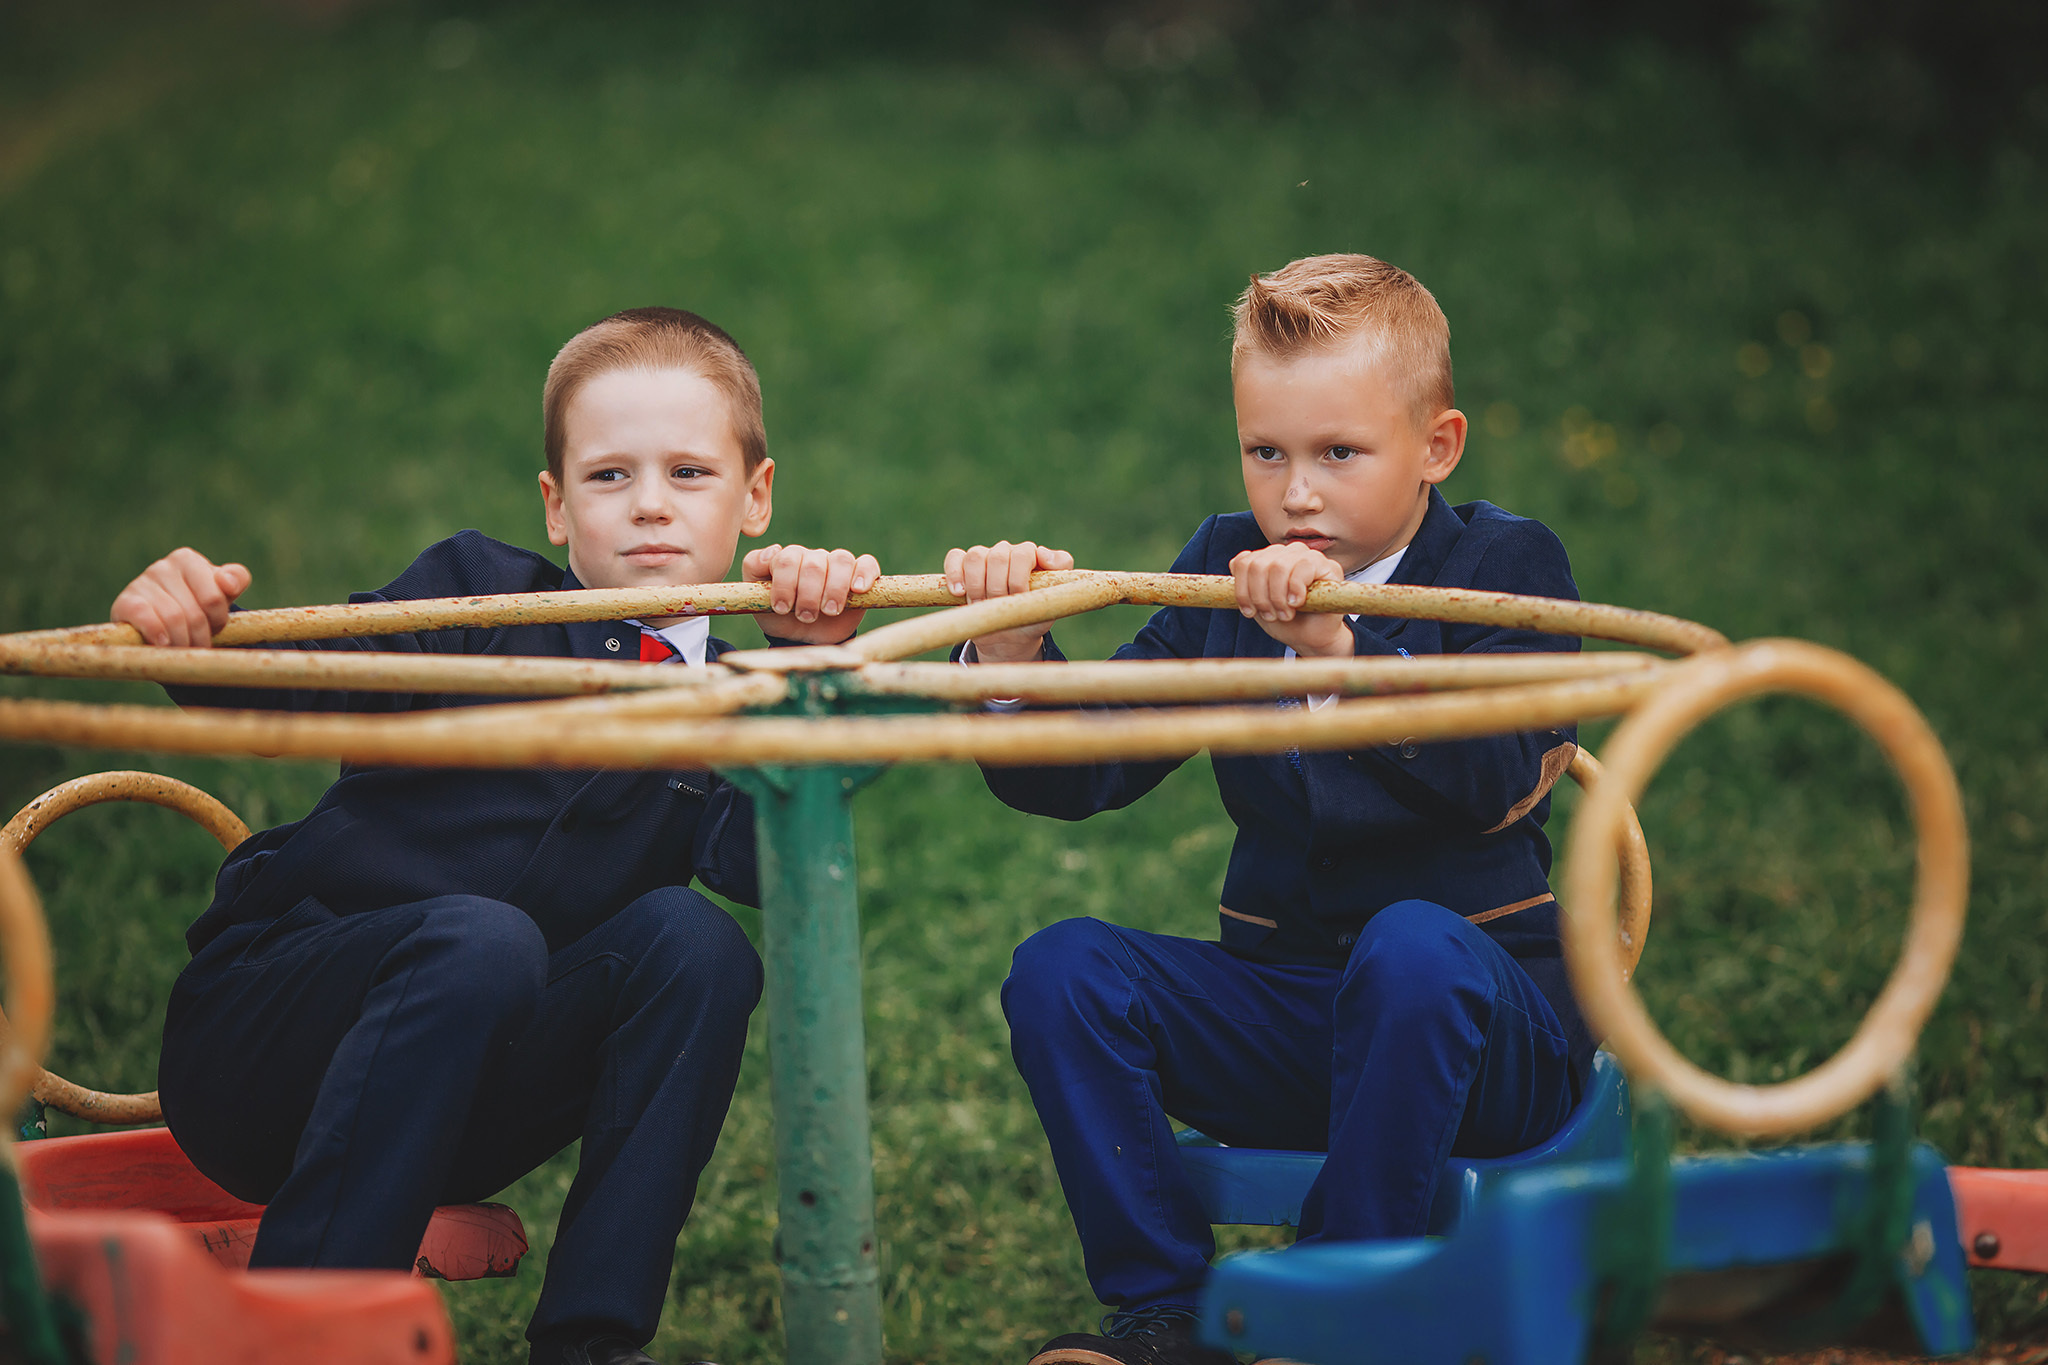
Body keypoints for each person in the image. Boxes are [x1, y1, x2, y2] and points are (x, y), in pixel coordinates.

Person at [112, 307, 877, 1365]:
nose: (650, 506)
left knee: (697, 946)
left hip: (460, 1100)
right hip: (268, 1047)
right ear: (557, 510)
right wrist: (189, 633)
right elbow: (305, 684)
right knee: (482, 937)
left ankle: (590, 1344)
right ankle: (301, 1338)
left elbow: (763, 870)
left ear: (755, 499)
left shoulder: (728, 697)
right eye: (609, 477)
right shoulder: (484, 595)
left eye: (689, 474)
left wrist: (799, 679)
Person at [944, 255, 1594, 1365]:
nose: (1295, 494)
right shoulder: (1222, 568)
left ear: (1435, 447)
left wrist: (1342, 656)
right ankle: (1162, 1317)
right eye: (1266, 453)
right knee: (1063, 968)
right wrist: (1009, 650)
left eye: (1339, 454)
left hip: (1489, 1029)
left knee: (1410, 948)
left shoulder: (1501, 565)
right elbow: (1082, 769)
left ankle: (1338, 1315)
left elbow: (1494, 777)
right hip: (1295, 1009)